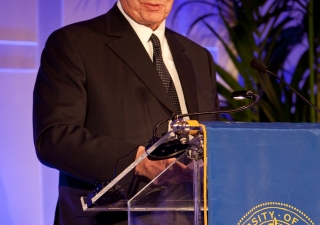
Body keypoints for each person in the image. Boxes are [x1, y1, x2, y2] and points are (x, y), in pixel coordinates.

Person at [33, 0, 219, 224]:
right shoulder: (74, 43)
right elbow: (54, 138)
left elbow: (210, 139)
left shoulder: (198, 56)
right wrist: (137, 161)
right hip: (110, 217)